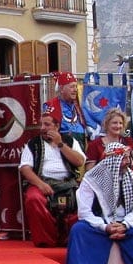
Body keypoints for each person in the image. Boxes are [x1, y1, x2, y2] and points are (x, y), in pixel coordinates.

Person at [19, 105, 86, 247]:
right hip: (42, 182)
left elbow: (80, 161)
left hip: (68, 183)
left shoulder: (70, 141)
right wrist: (40, 184)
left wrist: (60, 144)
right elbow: (25, 168)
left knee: (84, 200)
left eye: (47, 124)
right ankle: (46, 240)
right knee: (33, 198)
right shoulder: (33, 143)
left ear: (57, 126)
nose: (42, 128)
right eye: (41, 124)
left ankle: (69, 239)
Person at [43, 72, 87, 148]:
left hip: (81, 149)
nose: (75, 90)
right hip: (61, 150)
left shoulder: (79, 106)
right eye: (72, 87)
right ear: (61, 89)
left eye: (76, 87)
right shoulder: (51, 106)